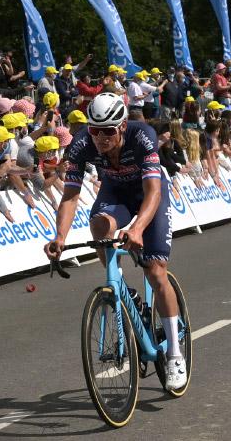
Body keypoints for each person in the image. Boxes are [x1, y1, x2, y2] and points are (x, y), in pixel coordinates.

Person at [44, 92, 186, 391]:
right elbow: (70, 196)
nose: (101, 138)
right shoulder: (82, 143)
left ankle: (174, 352)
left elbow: (154, 193)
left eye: (108, 131)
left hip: (150, 195)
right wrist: (59, 237)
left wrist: (136, 229)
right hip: (115, 194)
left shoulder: (142, 136)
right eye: (95, 131)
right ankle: (119, 285)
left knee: (156, 270)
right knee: (99, 225)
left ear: (121, 126)